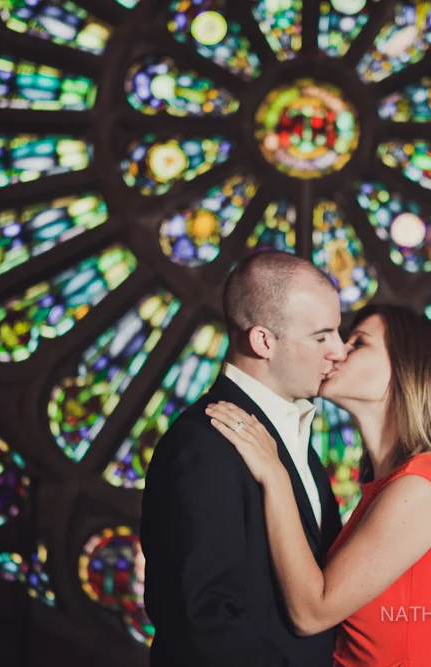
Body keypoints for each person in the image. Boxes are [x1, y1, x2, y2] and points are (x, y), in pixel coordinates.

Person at [206, 303, 431, 666]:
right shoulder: (394, 485)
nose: (335, 352)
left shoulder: (424, 486)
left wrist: (274, 474)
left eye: (358, 344)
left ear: (407, 369)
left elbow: (311, 613)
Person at [140, 251, 347, 667]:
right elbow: (203, 619)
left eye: (338, 333)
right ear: (264, 341)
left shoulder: (291, 436)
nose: (339, 351)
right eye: (321, 336)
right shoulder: (205, 444)